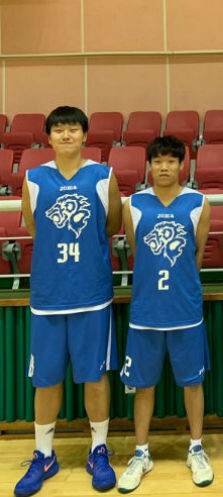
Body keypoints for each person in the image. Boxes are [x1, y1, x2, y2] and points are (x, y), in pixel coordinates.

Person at [14, 106, 122, 496]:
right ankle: (44, 454)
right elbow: (34, 228)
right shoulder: (33, 179)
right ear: (48, 137)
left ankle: (99, 450)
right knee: (46, 378)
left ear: (84, 135)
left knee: (95, 375)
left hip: (91, 294)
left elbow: (112, 226)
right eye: (58, 129)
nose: (65, 135)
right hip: (49, 295)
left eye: (72, 129)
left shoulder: (103, 176)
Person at [117, 135, 213, 491]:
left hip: (185, 308)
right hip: (146, 309)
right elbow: (137, 250)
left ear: (182, 165)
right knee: (143, 385)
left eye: (171, 161)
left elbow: (197, 253)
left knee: (193, 382)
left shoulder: (198, 202)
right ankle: (141, 452)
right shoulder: (134, 204)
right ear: (149, 165)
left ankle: (196, 448)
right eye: (158, 161)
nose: (164, 167)